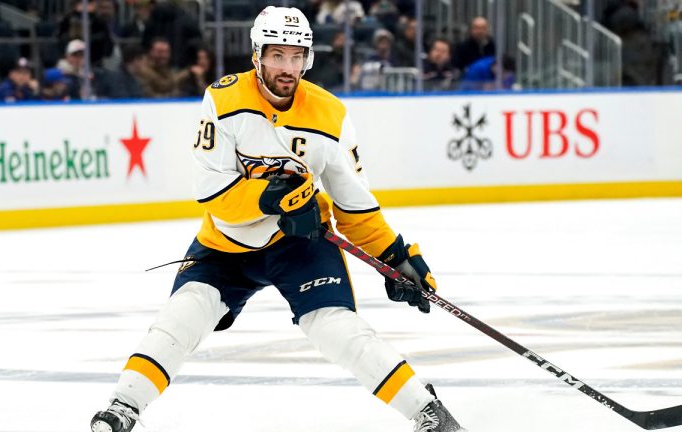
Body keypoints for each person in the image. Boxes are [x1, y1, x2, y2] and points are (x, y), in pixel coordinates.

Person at [89, 6, 466, 432]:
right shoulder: (223, 99)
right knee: (184, 314)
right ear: (257, 55)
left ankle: (427, 412)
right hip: (227, 243)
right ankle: (123, 407)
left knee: (335, 327)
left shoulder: (331, 115)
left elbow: (353, 204)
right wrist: (273, 200)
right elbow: (212, 192)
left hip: (300, 244)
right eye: (277, 55)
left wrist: (396, 256)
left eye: (296, 56)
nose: (287, 68)